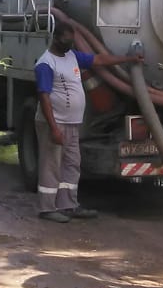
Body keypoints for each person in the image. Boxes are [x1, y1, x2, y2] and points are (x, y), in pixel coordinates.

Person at [34, 21, 142, 223]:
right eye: (66, 40)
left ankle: (68, 205)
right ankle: (47, 208)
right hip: (54, 123)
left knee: (72, 163)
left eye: (72, 40)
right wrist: (54, 128)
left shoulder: (72, 56)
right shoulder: (45, 64)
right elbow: (44, 96)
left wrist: (128, 58)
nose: (69, 44)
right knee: (51, 165)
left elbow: (99, 59)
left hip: (72, 123)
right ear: (56, 38)